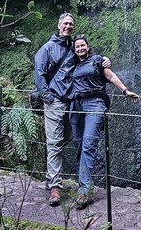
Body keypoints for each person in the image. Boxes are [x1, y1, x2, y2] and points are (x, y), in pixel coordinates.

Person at [34, 13, 110, 207]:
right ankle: (54, 187)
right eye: (65, 23)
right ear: (58, 25)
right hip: (55, 102)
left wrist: (104, 61)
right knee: (54, 143)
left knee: (73, 142)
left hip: (74, 103)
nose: (68, 26)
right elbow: (39, 75)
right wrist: (49, 98)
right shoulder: (47, 49)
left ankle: (77, 185)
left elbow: (88, 61)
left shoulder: (73, 46)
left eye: (71, 24)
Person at [69, 35, 139, 210]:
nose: (80, 49)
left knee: (88, 145)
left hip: (95, 104)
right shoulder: (72, 64)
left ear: (87, 46)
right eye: (77, 46)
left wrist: (125, 91)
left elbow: (111, 76)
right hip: (76, 105)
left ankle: (84, 191)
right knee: (78, 146)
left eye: (82, 46)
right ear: (74, 49)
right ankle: (84, 184)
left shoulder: (97, 61)